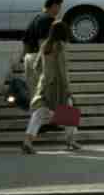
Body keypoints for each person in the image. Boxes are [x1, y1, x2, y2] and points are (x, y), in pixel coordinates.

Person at [22, 21, 78, 153]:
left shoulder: (45, 45)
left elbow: (36, 66)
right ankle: (71, 140)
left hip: (45, 84)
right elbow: (62, 70)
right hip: (58, 85)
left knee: (39, 112)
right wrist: (68, 89)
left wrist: (45, 77)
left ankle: (27, 141)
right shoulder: (60, 46)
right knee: (68, 109)